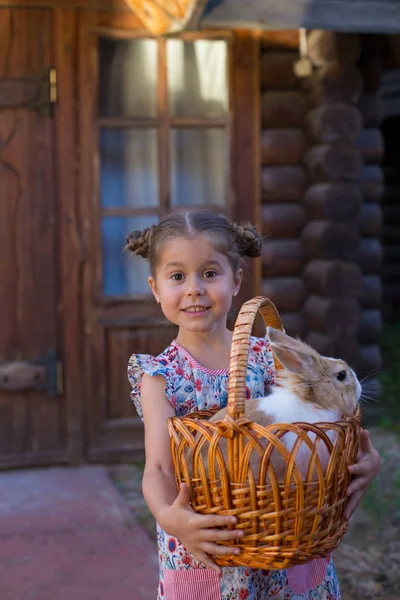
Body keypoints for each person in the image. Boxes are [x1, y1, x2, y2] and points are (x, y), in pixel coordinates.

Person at [127, 210, 380, 600]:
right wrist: (170, 517)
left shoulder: (267, 357)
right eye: (177, 277)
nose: (194, 289)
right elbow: (158, 467)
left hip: (282, 531)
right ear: (155, 288)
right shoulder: (159, 375)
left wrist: (366, 461)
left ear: (236, 281)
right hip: (212, 541)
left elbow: (318, 420)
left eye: (210, 274)